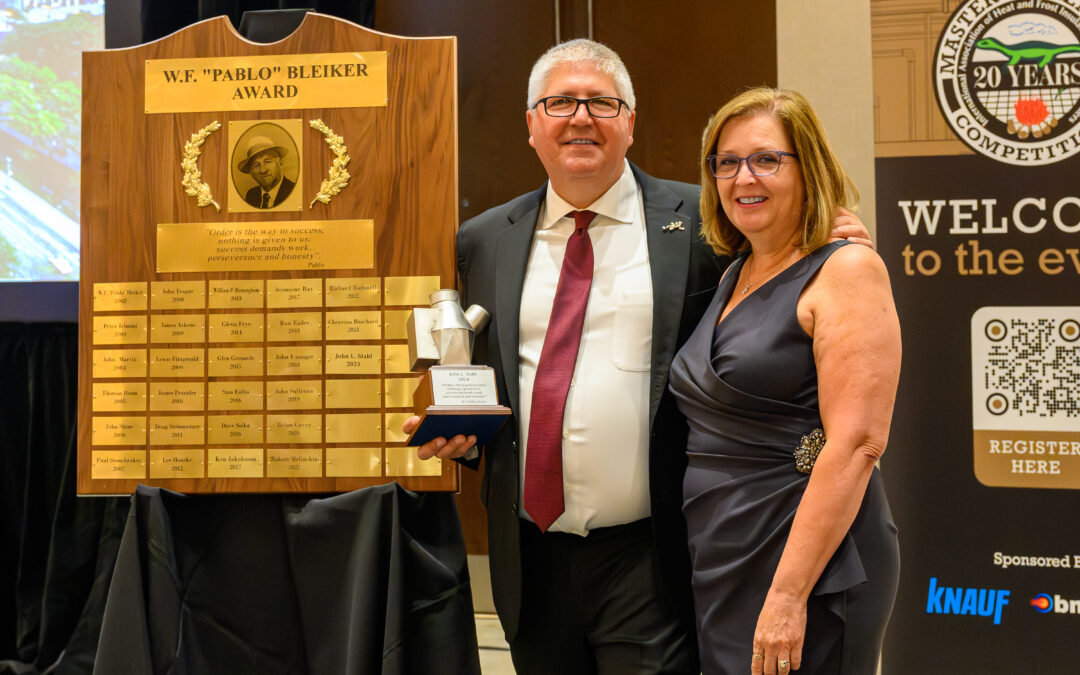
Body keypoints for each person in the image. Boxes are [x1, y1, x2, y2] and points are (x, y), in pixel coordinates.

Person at [405, 41, 871, 675]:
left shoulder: (707, 225)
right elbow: (486, 380)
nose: (580, 117)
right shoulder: (484, 240)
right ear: (531, 124)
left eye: (602, 102)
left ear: (629, 122)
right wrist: (464, 435)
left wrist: (836, 243)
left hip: (652, 556)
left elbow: (791, 261)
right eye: (560, 101)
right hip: (528, 559)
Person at [668, 88, 901, 675]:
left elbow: (857, 444)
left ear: (809, 167)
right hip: (724, 548)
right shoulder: (737, 271)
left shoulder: (847, 269)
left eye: (767, 159)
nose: (744, 176)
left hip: (809, 558)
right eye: (727, 162)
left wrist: (789, 594)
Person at [237, 136, 295, 208]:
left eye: (268, 161)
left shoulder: (294, 192)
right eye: (256, 165)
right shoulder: (251, 195)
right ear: (251, 172)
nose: (263, 170)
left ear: (280, 163)